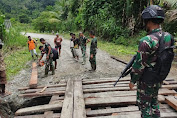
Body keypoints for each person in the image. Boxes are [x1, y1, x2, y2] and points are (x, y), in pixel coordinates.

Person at [129, 5, 174, 118]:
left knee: (145, 106)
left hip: (146, 80)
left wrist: (133, 80)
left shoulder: (146, 41)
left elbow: (139, 64)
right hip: (159, 77)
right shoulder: (168, 36)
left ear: (148, 21)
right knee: (154, 102)